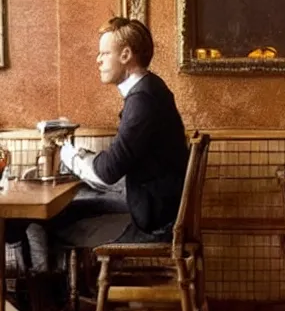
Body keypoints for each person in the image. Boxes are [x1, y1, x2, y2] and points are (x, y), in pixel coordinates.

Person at [51, 17, 189, 248]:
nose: (98, 60)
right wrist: (85, 158)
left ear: (125, 56)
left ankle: (48, 282)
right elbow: (118, 163)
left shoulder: (142, 100)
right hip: (154, 207)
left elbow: (107, 173)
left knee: (53, 220)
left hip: (153, 223)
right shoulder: (151, 88)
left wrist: (69, 154)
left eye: (104, 54)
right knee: (76, 203)